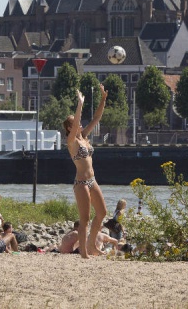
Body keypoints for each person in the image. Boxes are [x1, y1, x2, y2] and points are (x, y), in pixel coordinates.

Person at [65, 85, 108, 259]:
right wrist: (80, 104)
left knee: (102, 213)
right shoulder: (71, 141)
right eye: (74, 123)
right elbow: (76, 124)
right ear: (69, 127)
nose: (79, 124)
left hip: (92, 180)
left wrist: (103, 98)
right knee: (85, 219)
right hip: (81, 183)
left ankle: (91, 244)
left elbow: (97, 117)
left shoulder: (84, 137)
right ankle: (83, 252)